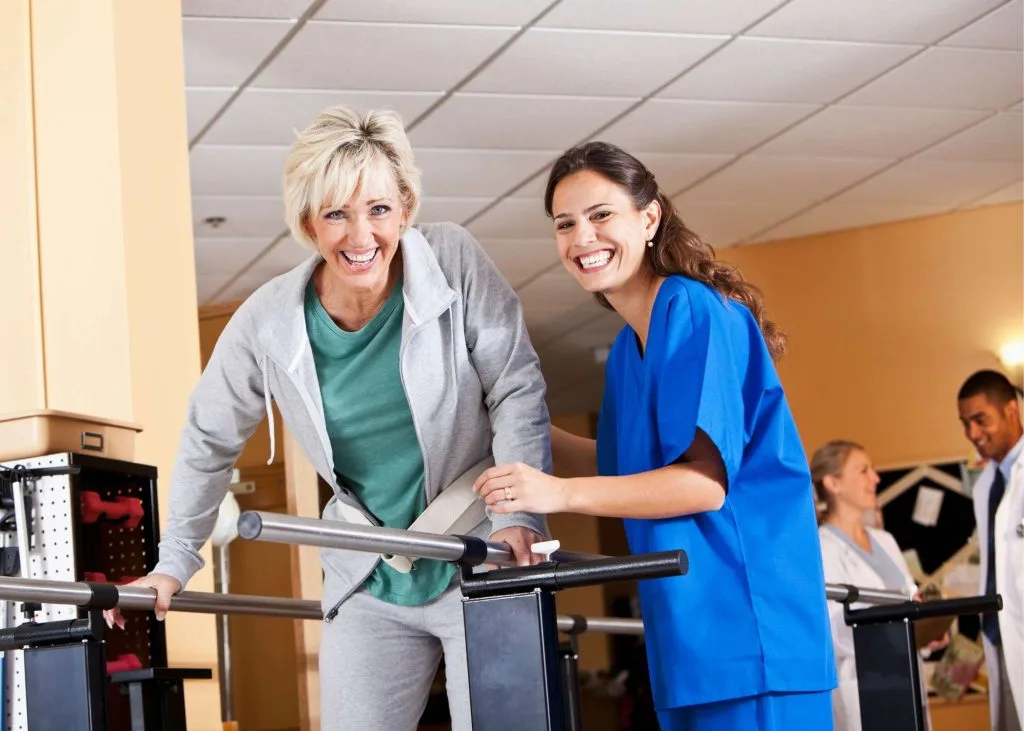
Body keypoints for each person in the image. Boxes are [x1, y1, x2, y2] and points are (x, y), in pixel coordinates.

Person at [106, 105, 552, 731]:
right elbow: (210, 437)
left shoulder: (452, 259)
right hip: (368, 569)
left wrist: (517, 519)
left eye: (377, 210)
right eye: (335, 213)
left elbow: (516, 387)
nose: (360, 235)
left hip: (477, 547)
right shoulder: (269, 320)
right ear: (308, 223)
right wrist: (174, 559)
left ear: (404, 208)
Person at [473, 141, 837, 730]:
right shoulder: (627, 349)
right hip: (688, 639)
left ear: (649, 218)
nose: (582, 238)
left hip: (752, 633)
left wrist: (556, 494)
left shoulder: (692, 310)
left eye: (600, 215)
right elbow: (627, 467)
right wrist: (515, 427)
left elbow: (700, 485)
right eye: (565, 224)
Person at [812, 439, 939, 731]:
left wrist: (927, 628)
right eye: (863, 470)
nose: (876, 478)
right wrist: (901, 630)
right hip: (866, 686)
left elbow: (908, 601)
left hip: (907, 681)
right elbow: (834, 630)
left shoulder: (886, 541)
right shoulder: (821, 548)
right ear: (833, 482)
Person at [957, 370, 1023, 731]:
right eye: (965, 423)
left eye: (980, 420)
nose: (972, 434)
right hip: (1001, 639)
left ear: (1011, 409)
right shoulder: (985, 487)